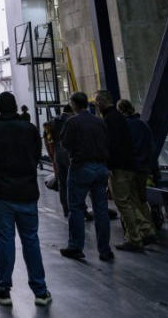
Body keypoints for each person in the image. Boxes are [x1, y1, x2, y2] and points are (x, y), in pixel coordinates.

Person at [0, 92, 50, 308]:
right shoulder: (30, 129)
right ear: (17, 107)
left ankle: (3, 290)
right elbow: (36, 155)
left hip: (1, 193)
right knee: (31, 240)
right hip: (27, 192)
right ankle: (41, 291)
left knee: (6, 240)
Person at [60, 91, 113, 262]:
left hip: (81, 167)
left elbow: (65, 143)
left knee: (76, 207)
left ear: (74, 104)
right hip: (101, 168)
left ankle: (76, 246)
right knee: (101, 210)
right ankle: (105, 250)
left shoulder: (72, 122)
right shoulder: (100, 121)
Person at [95, 91, 150, 252]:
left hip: (118, 168)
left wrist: (108, 165)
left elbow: (111, 145)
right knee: (131, 201)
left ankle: (134, 238)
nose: (96, 105)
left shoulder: (108, 120)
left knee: (123, 203)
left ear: (101, 101)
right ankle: (146, 229)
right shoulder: (120, 118)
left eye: (97, 102)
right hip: (131, 166)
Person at [117, 99, 158, 246]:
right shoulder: (143, 124)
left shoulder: (125, 126)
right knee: (141, 200)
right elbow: (151, 147)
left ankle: (141, 231)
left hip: (131, 168)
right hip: (144, 168)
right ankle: (149, 230)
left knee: (130, 201)